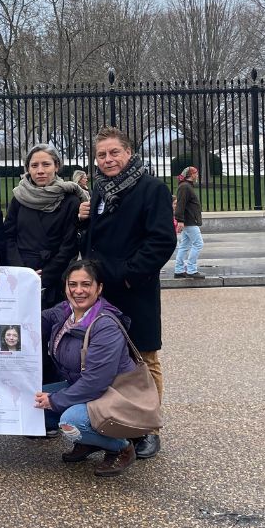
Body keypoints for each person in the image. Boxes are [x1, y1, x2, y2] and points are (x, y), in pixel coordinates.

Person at [78, 127, 176, 460]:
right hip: (104, 291)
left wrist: (129, 276)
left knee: (144, 359)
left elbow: (162, 240)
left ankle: (147, 429)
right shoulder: (101, 192)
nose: (107, 160)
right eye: (102, 155)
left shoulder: (152, 189)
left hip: (135, 288)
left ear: (129, 153)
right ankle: (106, 426)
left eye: (114, 152)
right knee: (102, 359)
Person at [35, 259, 141, 478]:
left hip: (113, 394)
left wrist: (55, 400)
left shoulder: (105, 325)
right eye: (72, 284)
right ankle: (88, 441)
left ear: (99, 288)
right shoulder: (66, 311)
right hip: (81, 387)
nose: (78, 290)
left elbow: (96, 381)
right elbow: (34, 321)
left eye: (86, 284)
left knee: (71, 421)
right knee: (30, 402)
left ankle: (120, 447)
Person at [4, 143, 86, 309]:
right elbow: (8, 237)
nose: (40, 170)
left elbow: (69, 245)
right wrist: (22, 272)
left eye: (46, 164)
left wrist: (45, 276)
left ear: (56, 166)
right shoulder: (18, 198)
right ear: (28, 169)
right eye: (34, 165)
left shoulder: (70, 200)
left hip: (55, 279)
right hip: (20, 276)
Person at [173, 166, 206, 280]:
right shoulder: (185, 187)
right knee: (198, 244)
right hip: (189, 221)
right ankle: (191, 269)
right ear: (191, 175)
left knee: (184, 246)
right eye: (196, 173)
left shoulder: (186, 186)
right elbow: (180, 205)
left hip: (188, 220)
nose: (197, 175)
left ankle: (179, 270)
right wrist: (180, 220)